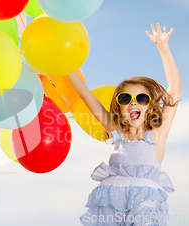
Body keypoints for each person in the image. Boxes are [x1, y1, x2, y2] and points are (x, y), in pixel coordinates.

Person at [68, 23, 181, 225]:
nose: (134, 102)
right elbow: (85, 94)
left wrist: (163, 48)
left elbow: (174, 88)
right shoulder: (115, 131)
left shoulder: (158, 134)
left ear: (150, 107)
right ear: (119, 107)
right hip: (110, 200)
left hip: (145, 201)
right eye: (126, 99)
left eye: (142, 99)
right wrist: (64, 68)